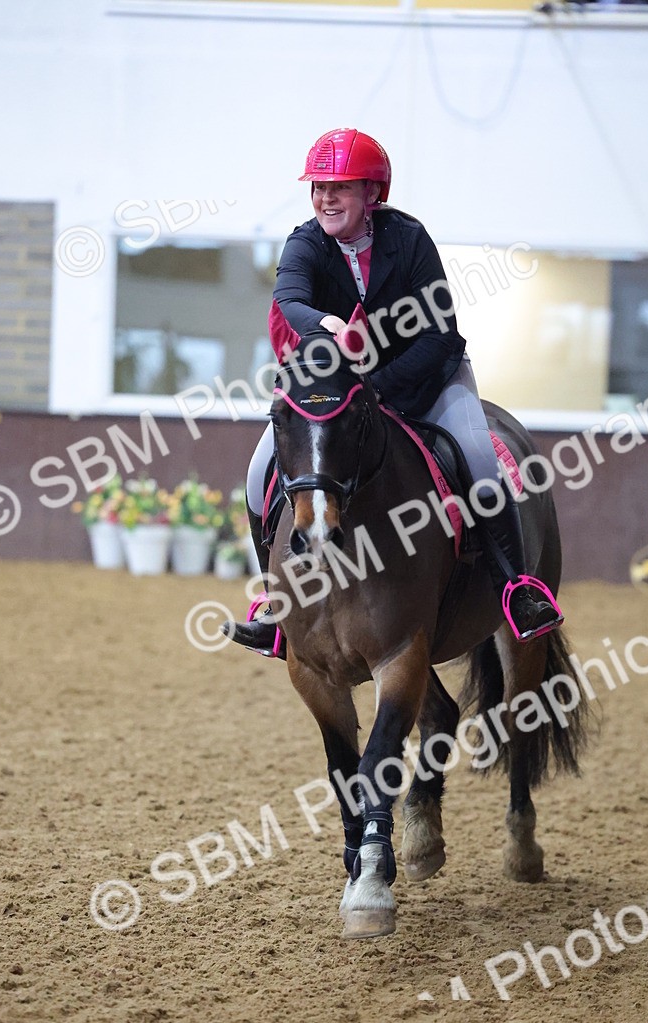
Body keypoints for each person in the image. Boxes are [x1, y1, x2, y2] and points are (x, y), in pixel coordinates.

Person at [229, 127, 563, 656]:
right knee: (258, 472)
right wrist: (326, 323)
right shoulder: (304, 242)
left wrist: (379, 390)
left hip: (427, 377)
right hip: (343, 395)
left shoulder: (409, 240)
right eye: (318, 187)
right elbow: (289, 299)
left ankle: (517, 587)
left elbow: (438, 335)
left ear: (372, 193)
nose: (325, 198)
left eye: (340, 187)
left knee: (480, 456)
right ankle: (275, 607)